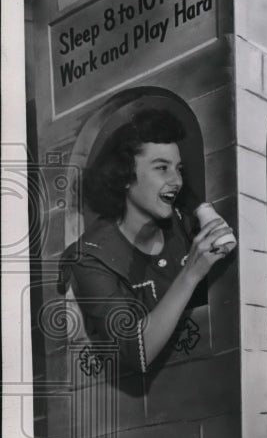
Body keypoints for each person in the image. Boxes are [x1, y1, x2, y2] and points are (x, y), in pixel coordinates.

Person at [58, 107, 235, 393]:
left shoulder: (183, 223)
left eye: (178, 169)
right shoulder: (89, 257)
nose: (176, 181)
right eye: (161, 168)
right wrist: (191, 273)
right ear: (125, 176)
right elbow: (135, 353)